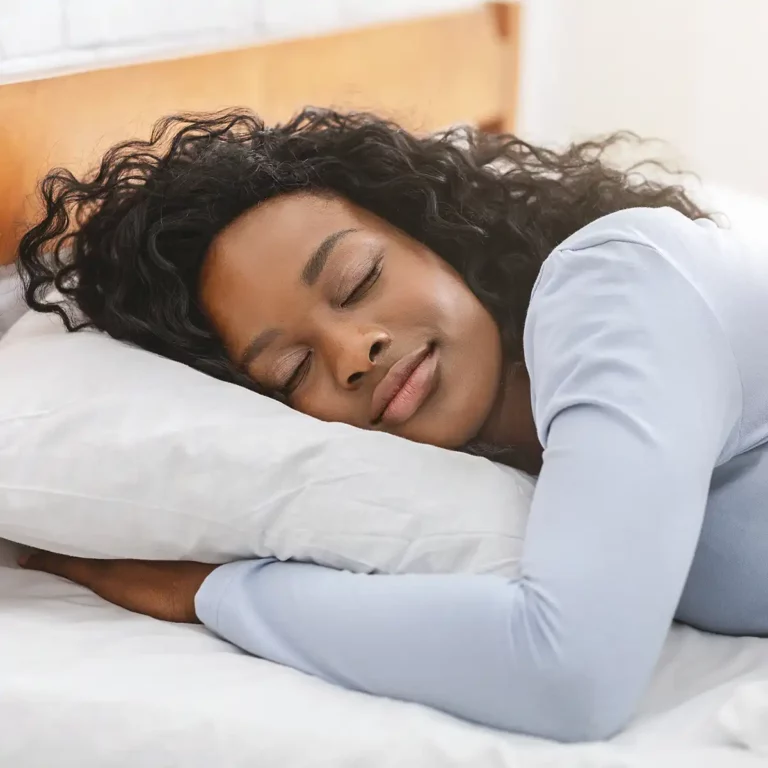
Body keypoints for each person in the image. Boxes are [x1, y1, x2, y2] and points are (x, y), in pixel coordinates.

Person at [14, 108, 768, 742]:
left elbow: (569, 672)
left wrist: (210, 593)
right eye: (293, 370)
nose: (354, 352)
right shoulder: (530, 464)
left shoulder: (616, 287)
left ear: (441, 237)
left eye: (358, 281)